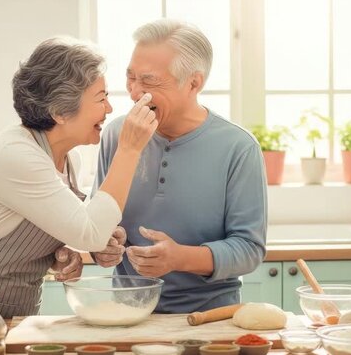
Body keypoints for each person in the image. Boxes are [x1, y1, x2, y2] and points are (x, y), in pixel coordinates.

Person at [0, 37, 157, 318]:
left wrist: (59, 254)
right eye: (101, 98)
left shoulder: (69, 160)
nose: (110, 109)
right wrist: (129, 149)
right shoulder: (14, 155)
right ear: (59, 112)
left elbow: (75, 229)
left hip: (13, 320)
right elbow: (90, 233)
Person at [93, 19, 268, 313]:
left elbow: (249, 249)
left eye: (148, 81)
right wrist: (100, 247)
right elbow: (97, 224)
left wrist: (180, 258)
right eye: (130, 77)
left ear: (194, 82)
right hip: (127, 315)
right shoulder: (116, 135)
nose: (135, 92)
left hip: (210, 318)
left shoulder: (238, 147)